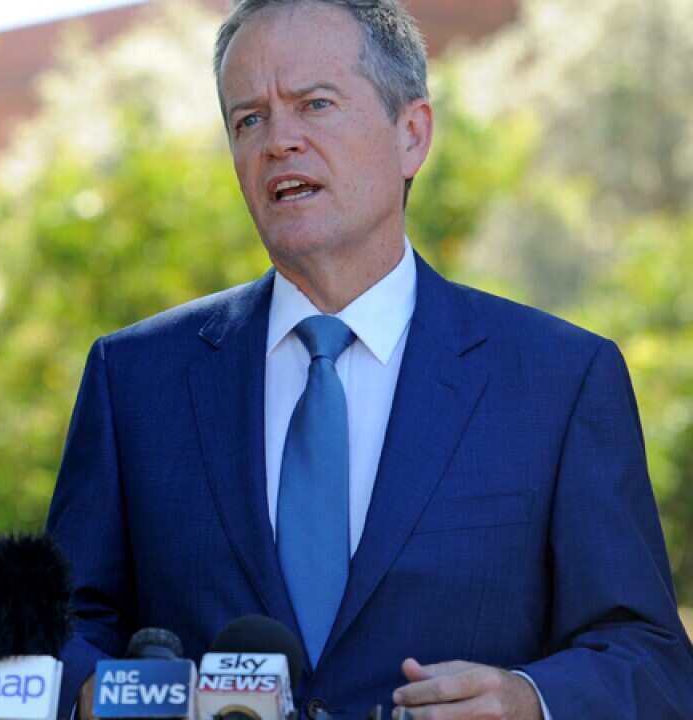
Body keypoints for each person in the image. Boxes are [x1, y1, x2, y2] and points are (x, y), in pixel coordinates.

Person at [45, 1, 693, 718]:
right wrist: (98, 696)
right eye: (248, 119)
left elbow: (649, 657)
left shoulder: (560, 380)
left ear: (411, 134)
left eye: (314, 104)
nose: (279, 141)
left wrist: (531, 701)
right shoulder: (135, 378)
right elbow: (63, 627)